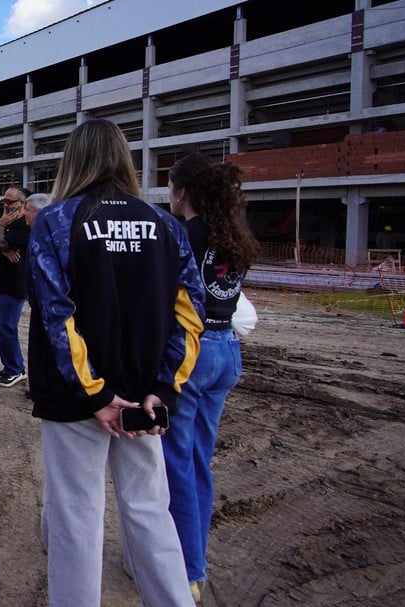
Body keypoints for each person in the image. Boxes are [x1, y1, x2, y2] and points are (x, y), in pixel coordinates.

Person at [26, 118, 204, 606]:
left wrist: (98, 394)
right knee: (150, 510)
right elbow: (191, 316)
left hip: (80, 402)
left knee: (76, 519)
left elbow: (55, 316)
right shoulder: (166, 225)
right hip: (145, 398)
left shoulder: (57, 221)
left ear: (73, 159)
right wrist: (164, 389)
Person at [162, 154, 261, 602]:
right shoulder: (231, 237)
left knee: (176, 465)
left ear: (182, 191)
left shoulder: (182, 235)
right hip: (226, 350)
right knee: (199, 461)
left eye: (169, 186)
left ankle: (182, 570)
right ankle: (194, 564)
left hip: (192, 350)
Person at [0, 186, 30, 388]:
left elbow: (3, 244)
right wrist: (1, 248)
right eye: (4, 201)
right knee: (0, 324)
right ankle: (10, 366)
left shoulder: (25, 224)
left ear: (23, 204)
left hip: (15, 283)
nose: (6, 205)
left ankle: (16, 369)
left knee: (6, 324)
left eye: (10, 202)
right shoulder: (3, 221)